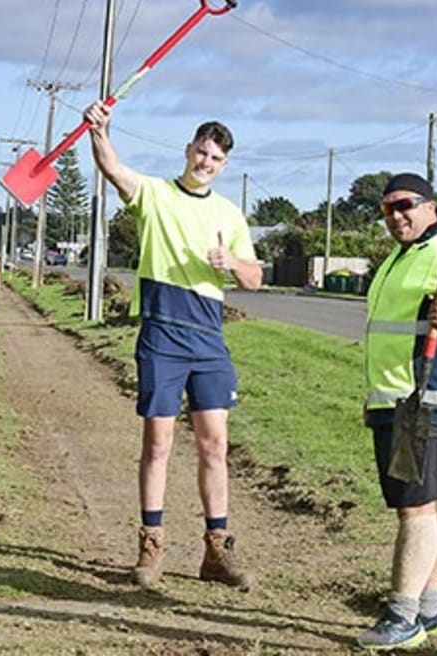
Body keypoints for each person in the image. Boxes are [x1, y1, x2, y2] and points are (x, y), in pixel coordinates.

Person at [83, 100, 262, 590]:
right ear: (188, 151)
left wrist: (231, 263)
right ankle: (151, 544)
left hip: (209, 337)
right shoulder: (156, 195)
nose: (206, 163)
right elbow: (114, 169)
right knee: (158, 443)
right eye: (202, 153)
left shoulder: (230, 214)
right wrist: (99, 131)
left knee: (215, 445)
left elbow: (254, 278)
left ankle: (217, 550)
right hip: (162, 333)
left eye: (216, 159)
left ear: (224, 165)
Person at [357, 173, 437, 650]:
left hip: (427, 398)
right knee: (419, 509)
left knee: (416, 510)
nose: (396, 216)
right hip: (393, 401)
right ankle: (432, 610)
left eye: (405, 205)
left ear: (431, 206)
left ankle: (402, 616)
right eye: (388, 209)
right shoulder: (399, 256)